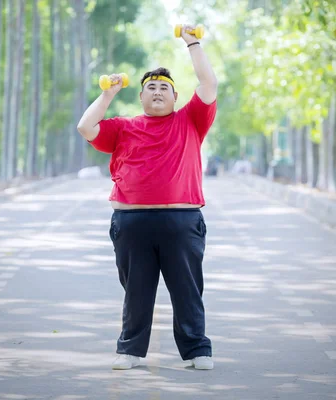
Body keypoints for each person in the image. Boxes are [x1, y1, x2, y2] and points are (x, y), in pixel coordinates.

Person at [76, 25, 217, 371]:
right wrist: (108, 94)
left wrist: (193, 42)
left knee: (187, 290)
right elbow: (85, 127)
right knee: (136, 290)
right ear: (140, 97)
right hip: (131, 221)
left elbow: (209, 83)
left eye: (164, 88)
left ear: (175, 97)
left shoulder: (190, 121)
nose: (157, 91)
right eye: (150, 87)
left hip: (181, 221)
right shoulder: (123, 127)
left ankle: (198, 350)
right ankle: (130, 350)